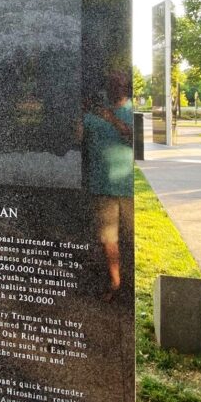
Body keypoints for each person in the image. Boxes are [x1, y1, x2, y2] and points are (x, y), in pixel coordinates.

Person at [82, 71, 133, 299]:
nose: (117, 87)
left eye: (121, 83)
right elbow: (77, 138)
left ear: (127, 86)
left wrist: (111, 119)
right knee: (108, 240)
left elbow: (133, 138)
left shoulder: (134, 111)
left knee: (131, 237)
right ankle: (115, 283)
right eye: (113, 83)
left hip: (129, 188)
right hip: (102, 187)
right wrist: (81, 113)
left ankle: (132, 284)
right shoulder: (93, 116)